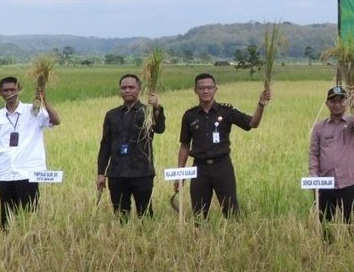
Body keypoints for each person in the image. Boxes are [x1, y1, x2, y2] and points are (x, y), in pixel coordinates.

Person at [176, 73, 271, 217]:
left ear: (216, 89)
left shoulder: (226, 111)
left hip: (222, 166)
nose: (206, 91)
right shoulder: (189, 116)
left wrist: (261, 104)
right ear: (195, 90)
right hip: (199, 168)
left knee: (231, 211)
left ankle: (233, 237)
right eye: (201, 88)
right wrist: (180, 174)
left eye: (209, 87)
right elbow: (184, 145)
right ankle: (201, 238)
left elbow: (253, 123)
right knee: (199, 213)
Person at [0, 76, 61, 228]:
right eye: (6, 90)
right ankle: (10, 244)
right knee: (8, 217)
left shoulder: (33, 111)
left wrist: (44, 101)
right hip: (6, 173)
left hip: (28, 172)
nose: (9, 93)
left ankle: (31, 244)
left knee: (30, 215)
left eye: (13, 89)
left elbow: (56, 121)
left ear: (19, 90)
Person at [96, 74, 165, 218]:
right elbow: (105, 145)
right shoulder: (112, 115)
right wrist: (101, 172)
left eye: (131, 87)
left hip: (142, 172)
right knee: (120, 214)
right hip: (117, 172)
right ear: (120, 90)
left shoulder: (148, 112)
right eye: (124, 88)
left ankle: (145, 238)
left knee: (145, 214)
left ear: (139, 89)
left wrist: (157, 107)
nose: (127, 90)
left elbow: (159, 129)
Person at [309, 85, 354, 222]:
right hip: (326, 183)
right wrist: (314, 177)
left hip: (349, 182)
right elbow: (313, 153)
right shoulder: (319, 128)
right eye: (333, 101)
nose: (337, 105)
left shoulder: (353, 123)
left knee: (351, 222)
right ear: (327, 104)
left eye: (341, 101)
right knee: (324, 222)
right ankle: (325, 244)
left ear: (346, 102)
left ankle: (352, 243)